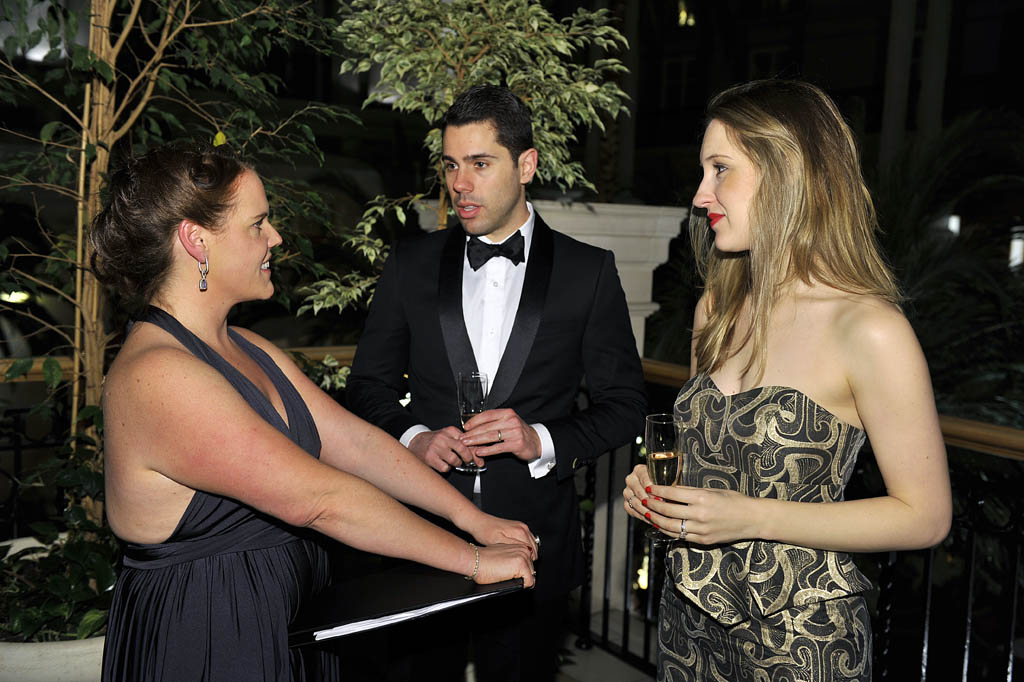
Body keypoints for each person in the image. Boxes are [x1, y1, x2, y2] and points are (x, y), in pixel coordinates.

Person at [91, 141, 538, 682]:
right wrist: (471, 559)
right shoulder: (159, 375)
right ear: (196, 240)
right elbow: (322, 500)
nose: (276, 237)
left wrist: (473, 519)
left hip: (289, 611)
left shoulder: (248, 346)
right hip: (212, 628)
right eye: (258, 224)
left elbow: (355, 442)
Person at [622, 79, 952, 681]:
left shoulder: (870, 329)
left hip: (801, 639)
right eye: (703, 171)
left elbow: (925, 516)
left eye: (721, 169)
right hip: (688, 622)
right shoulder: (715, 308)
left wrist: (752, 517)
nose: (700, 195)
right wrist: (659, 492)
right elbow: (709, 461)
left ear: (787, 173)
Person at [347, 84, 647, 682]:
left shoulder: (588, 272)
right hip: (421, 532)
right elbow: (366, 387)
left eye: (480, 164)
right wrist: (414, 438)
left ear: (526, 164)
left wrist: (541, 440)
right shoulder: (409, 264)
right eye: (451, 165)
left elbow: (626, 405)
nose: (460, 184)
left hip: (533, 538)